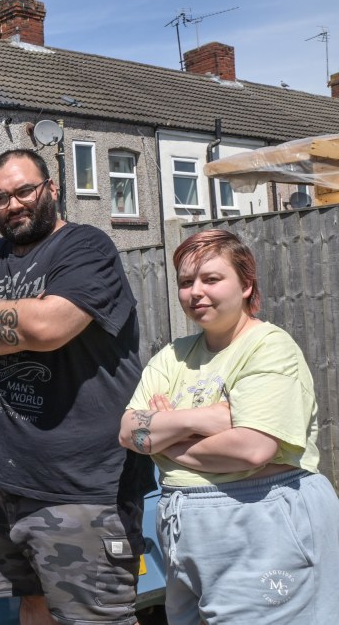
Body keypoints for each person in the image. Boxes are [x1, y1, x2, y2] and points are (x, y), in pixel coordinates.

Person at [0, 148, 153, 625]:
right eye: (0, 197)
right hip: (4, 479)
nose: (12, 205)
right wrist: (15, 332)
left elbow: (48, 328)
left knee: (97, 618)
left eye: (24, 191)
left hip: (80, 484)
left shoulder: (86, 248)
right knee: (31, 606)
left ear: (50, 188)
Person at [119, 229, 339, 624]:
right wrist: (202, 419)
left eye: (211, 279)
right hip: (182, 527)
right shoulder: (173, 356)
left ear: (246, 284)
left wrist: (164, 438)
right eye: (186, 282)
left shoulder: (268, 347)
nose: (196, 292)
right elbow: (128, 432)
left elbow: (251, 449)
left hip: (260, 518)